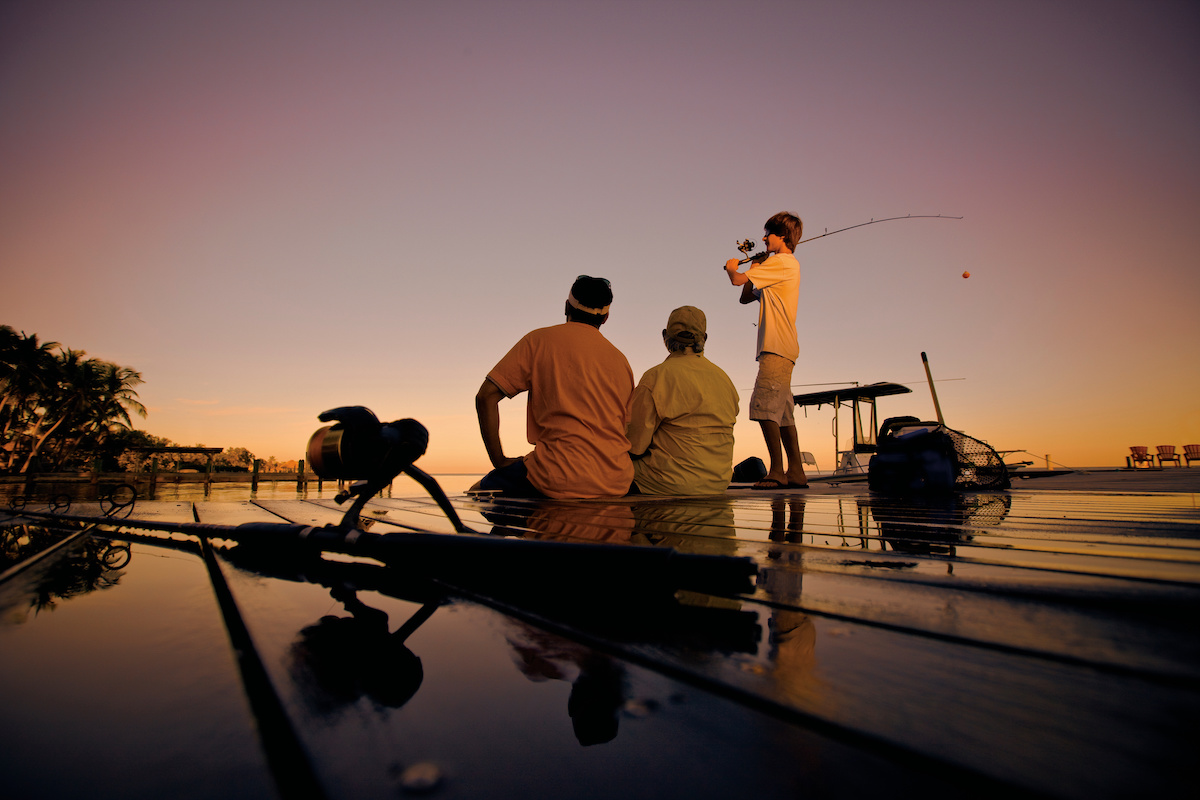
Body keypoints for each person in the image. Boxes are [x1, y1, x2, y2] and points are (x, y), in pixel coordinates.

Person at [472, 275, 634, 499]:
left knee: (475, 495)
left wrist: (500, 461)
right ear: (606, 317)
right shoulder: (621, 361)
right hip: (617, 480)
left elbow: (485, 396)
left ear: (566, 306)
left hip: (556, 476)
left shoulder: (539, 341)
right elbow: (623, 427)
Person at [724, 211, 808, 489]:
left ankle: (777, 471)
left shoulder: (783, 262)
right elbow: (745, 296)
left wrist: (732, 267)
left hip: (776, 347)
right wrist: (757, 266)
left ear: (781, 236)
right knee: (782, 413)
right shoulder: (777, 266)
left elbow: (737, 281)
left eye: (768, 234)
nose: (763, 238)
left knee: (761, 406)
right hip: (783, 348)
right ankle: (795, 472)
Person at [626, 306, 739, 495]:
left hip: (667, 482)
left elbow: (634, 446)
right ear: (705, 338)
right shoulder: (724, 379)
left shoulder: (656, 377)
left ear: (665, 336)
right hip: (717, 482)